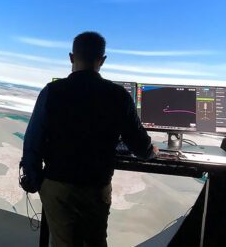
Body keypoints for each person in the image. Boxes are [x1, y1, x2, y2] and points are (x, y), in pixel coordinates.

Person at [20, 31, 158, 247]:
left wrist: (39, 184)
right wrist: (152, 152)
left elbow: (32, 143)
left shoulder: (52, 91)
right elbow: (139, 145)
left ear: (71, 57)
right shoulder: (119, 95)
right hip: (96, 187)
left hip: (57, 185)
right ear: (102, 60)